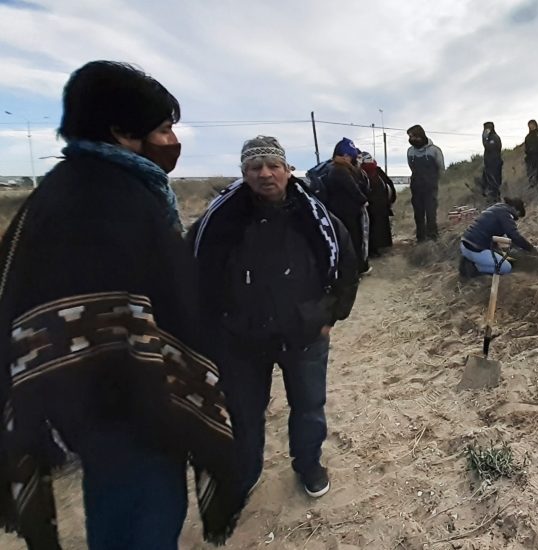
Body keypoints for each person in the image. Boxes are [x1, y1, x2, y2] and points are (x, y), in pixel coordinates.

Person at [0, 61, 244, 549]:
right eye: (163, 128)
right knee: (145, 519)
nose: (172, 140)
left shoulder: (54, 192)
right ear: (120, 130)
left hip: (83, 408)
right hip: (135, 405)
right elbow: (167, 301)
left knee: (111, 511)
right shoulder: (118, 200)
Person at [190, 136, 359, 500]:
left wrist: (332, 315)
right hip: (241, 338)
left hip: (305, 333)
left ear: (287, 169)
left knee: (309, 407)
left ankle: (309, 466)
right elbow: (192, 271)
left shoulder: (316, 216)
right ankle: (247, 472)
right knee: (244, 412)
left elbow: (347, 263)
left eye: (273, 166)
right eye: (255, 167)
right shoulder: (219, 219)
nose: (265, 174)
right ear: (244, 173)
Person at [307, 138, 370, 274]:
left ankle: (350, 269)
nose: (352, 159)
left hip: (337, 211)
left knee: (344, 242)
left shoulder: (332, 168)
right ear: (345, 155)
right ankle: (355, 270)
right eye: (351, 156)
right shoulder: (340, 170)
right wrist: (364, 200)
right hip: (348, 213)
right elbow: (353, 190)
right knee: (353, 241)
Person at [459, 197, 535, 277]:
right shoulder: (506, 215)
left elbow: (495, 234)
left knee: (499, 256)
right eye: (517, 217)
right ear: (517, 211)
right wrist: (530, 248)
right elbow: (514, 235)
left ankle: (471, 260)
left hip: (465, 245)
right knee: (506, 268)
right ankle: (474, 267)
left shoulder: (496, 208)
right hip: (475, 249)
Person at [406, 124, 445, 242]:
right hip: (416, 188)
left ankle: (433, 238)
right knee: (418, 215)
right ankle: (420, 239)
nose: (411, 139)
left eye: (413, 136)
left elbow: (441, 168)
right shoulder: (410, 151)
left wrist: (433, 180)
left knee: (431, 214)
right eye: (409, 137)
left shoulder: (435, 151)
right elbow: (411, 167)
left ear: (420, 136)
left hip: (430, 188)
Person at [358, 152, 397, 257]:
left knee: (374, 228)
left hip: (374, 206)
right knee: (379, 227)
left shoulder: (363, 172)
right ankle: (379, 248)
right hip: (379, 205)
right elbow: (389, 185)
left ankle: (375, 250)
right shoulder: (375, 170)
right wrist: (391, 200)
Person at [481, 121, 503, 200]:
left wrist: (484, 139)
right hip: (489, 164)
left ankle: (495, 199)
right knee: (486, 182)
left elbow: (489, 147)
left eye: (487, 128)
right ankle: (490, 198)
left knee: (494, 183)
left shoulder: (494, 137)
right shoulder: (489, 138)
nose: (485, 130)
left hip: (494, 163)